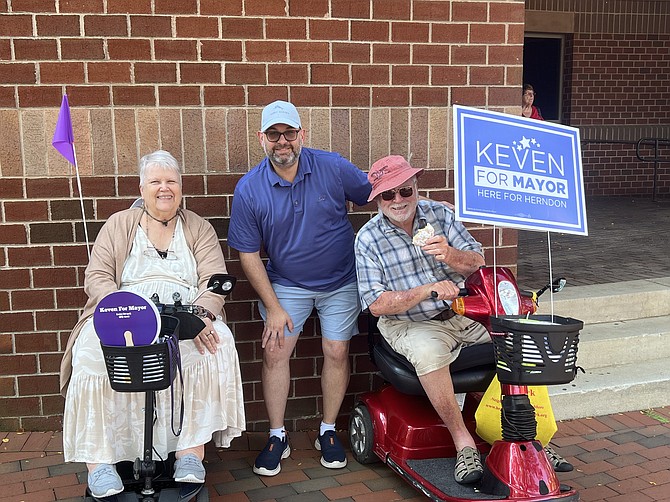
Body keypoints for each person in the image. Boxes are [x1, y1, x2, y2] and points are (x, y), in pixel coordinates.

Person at [354, 155, 573, 484]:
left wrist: (450, 255)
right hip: (410, 322)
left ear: (416, 188)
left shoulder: (440, 214)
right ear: (377, 199)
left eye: (405, 191)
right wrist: (427, 290)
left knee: (516, 342)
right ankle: (463, 442)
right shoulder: (368, 240)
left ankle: (534, 436)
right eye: (388, 194)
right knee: (430, 353)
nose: (398, 200)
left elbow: (477, 262)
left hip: (463, 312)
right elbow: (376, 304)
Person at [59, 150, 245, 498]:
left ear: (181, 187)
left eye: (171, 181)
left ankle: (190, 452)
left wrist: (203, 315)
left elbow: (214, 279)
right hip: (124, 311)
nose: (164, 188)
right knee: (91, 354)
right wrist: (115, 306)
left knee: (214, 345)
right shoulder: (119, 224)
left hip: (182, 313)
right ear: (141, 188)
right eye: (156, 181)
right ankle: (100, 463)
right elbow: (97, 275)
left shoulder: (198, 227)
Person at [227, 100, 371, 476]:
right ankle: (277, 435)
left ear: (301, 134)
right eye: (273, 134)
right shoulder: (249, 189)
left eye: (289, 133)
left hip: (341, 280)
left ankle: (327, 430)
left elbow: (377, 194)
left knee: (337, 351)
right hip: (287, 284)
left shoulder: (333, 166)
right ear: (262, 139)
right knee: (275, 351)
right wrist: (273, 307)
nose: (282, 141)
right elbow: (248, 255)